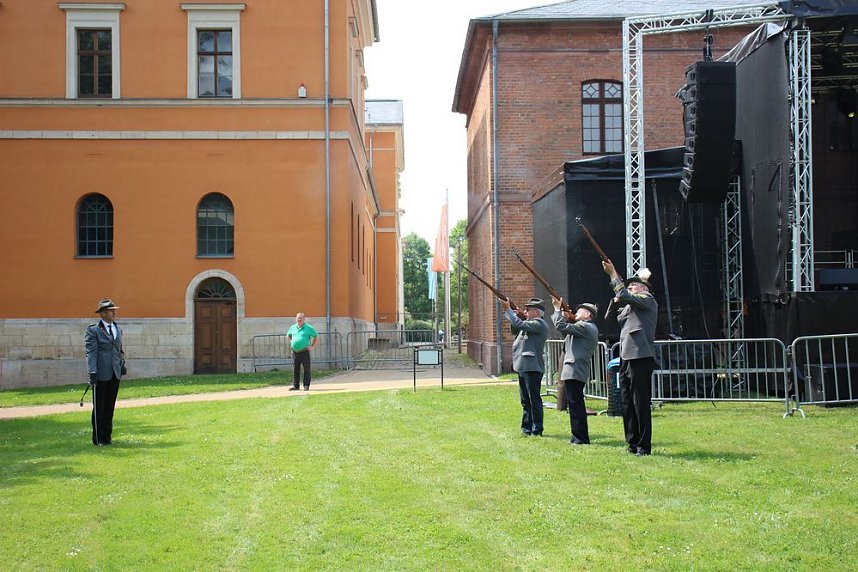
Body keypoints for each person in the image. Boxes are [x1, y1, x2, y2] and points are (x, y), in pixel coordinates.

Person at [602, 261, 658, 456]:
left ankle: (644, 445)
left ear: (643, 288)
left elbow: (625, 294)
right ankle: (632, 442)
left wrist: (612, 275)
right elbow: (611, 317)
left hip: (641, 356)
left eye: (632, 285)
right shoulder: (630, 307)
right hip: (627, 356)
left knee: (640, 402)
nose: (629, 288)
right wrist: (615, 300)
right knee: (627, 402)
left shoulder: (647, 299)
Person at [551, 297, 599, 445]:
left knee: (575, 405)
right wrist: (567, 318)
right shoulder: (582, 327)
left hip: (575, 368)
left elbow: (560, 326)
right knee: (574, 405)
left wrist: (557, 310)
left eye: (579, 312)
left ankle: (580, 438)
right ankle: (577, 436)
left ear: (587, 315)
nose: (576, 313)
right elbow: (566, 333)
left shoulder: (585, 327)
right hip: (575, 369)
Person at [501, 297, 549, 436]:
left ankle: (537, 429)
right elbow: (516, 329)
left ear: (536, 312)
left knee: (534, 400)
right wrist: (515, 315)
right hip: (522, 365)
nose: (526, 312)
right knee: (525, 400)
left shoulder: (539, 324)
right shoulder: (528, 323)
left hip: (532, 366)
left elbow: (520, 325)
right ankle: (526, 427)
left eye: (528, 310)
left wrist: (508, 309)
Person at [85, 298, 127, 446]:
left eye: (114, 310)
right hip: (101, 373)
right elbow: (91, 352)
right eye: (110, 311)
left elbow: (119, 350)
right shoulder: (94, 330)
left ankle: (107, 437)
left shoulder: (117, 329)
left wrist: (122, 364)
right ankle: (98, 438)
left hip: (115, 373)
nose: (114, 313)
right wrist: (92, 371)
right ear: (102, 314)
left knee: (110, 406)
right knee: (100, 407)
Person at [287, 312, 318, 391]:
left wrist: (312, 346)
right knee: (295, 369)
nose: (299, 319)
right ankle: (296, 386)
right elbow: (288, 335)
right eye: (298, 318)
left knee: (306, 369)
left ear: (304, 319)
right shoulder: (292, 327)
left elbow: (316, 336)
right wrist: (292, 342)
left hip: (304, 352)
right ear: (296, 319)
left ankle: (306, 385)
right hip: (295, 352)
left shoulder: (309, 328)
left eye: (301, 318)